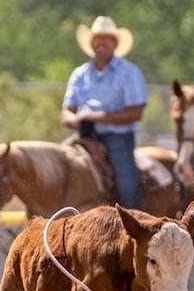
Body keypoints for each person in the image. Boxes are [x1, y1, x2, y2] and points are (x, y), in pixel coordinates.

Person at [61, 15, 147, 209]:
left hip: (118, 137)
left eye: (106, 39)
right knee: (58, 169)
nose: (101, 43)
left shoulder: (129, 72)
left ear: (115, 44)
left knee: (127, 185)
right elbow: (66, 112)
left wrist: (95, 117)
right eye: (97, 39)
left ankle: (136, 219)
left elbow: (136, 113)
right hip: (83, 135)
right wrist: (79, 121)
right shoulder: (80, 74)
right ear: (91, 43)